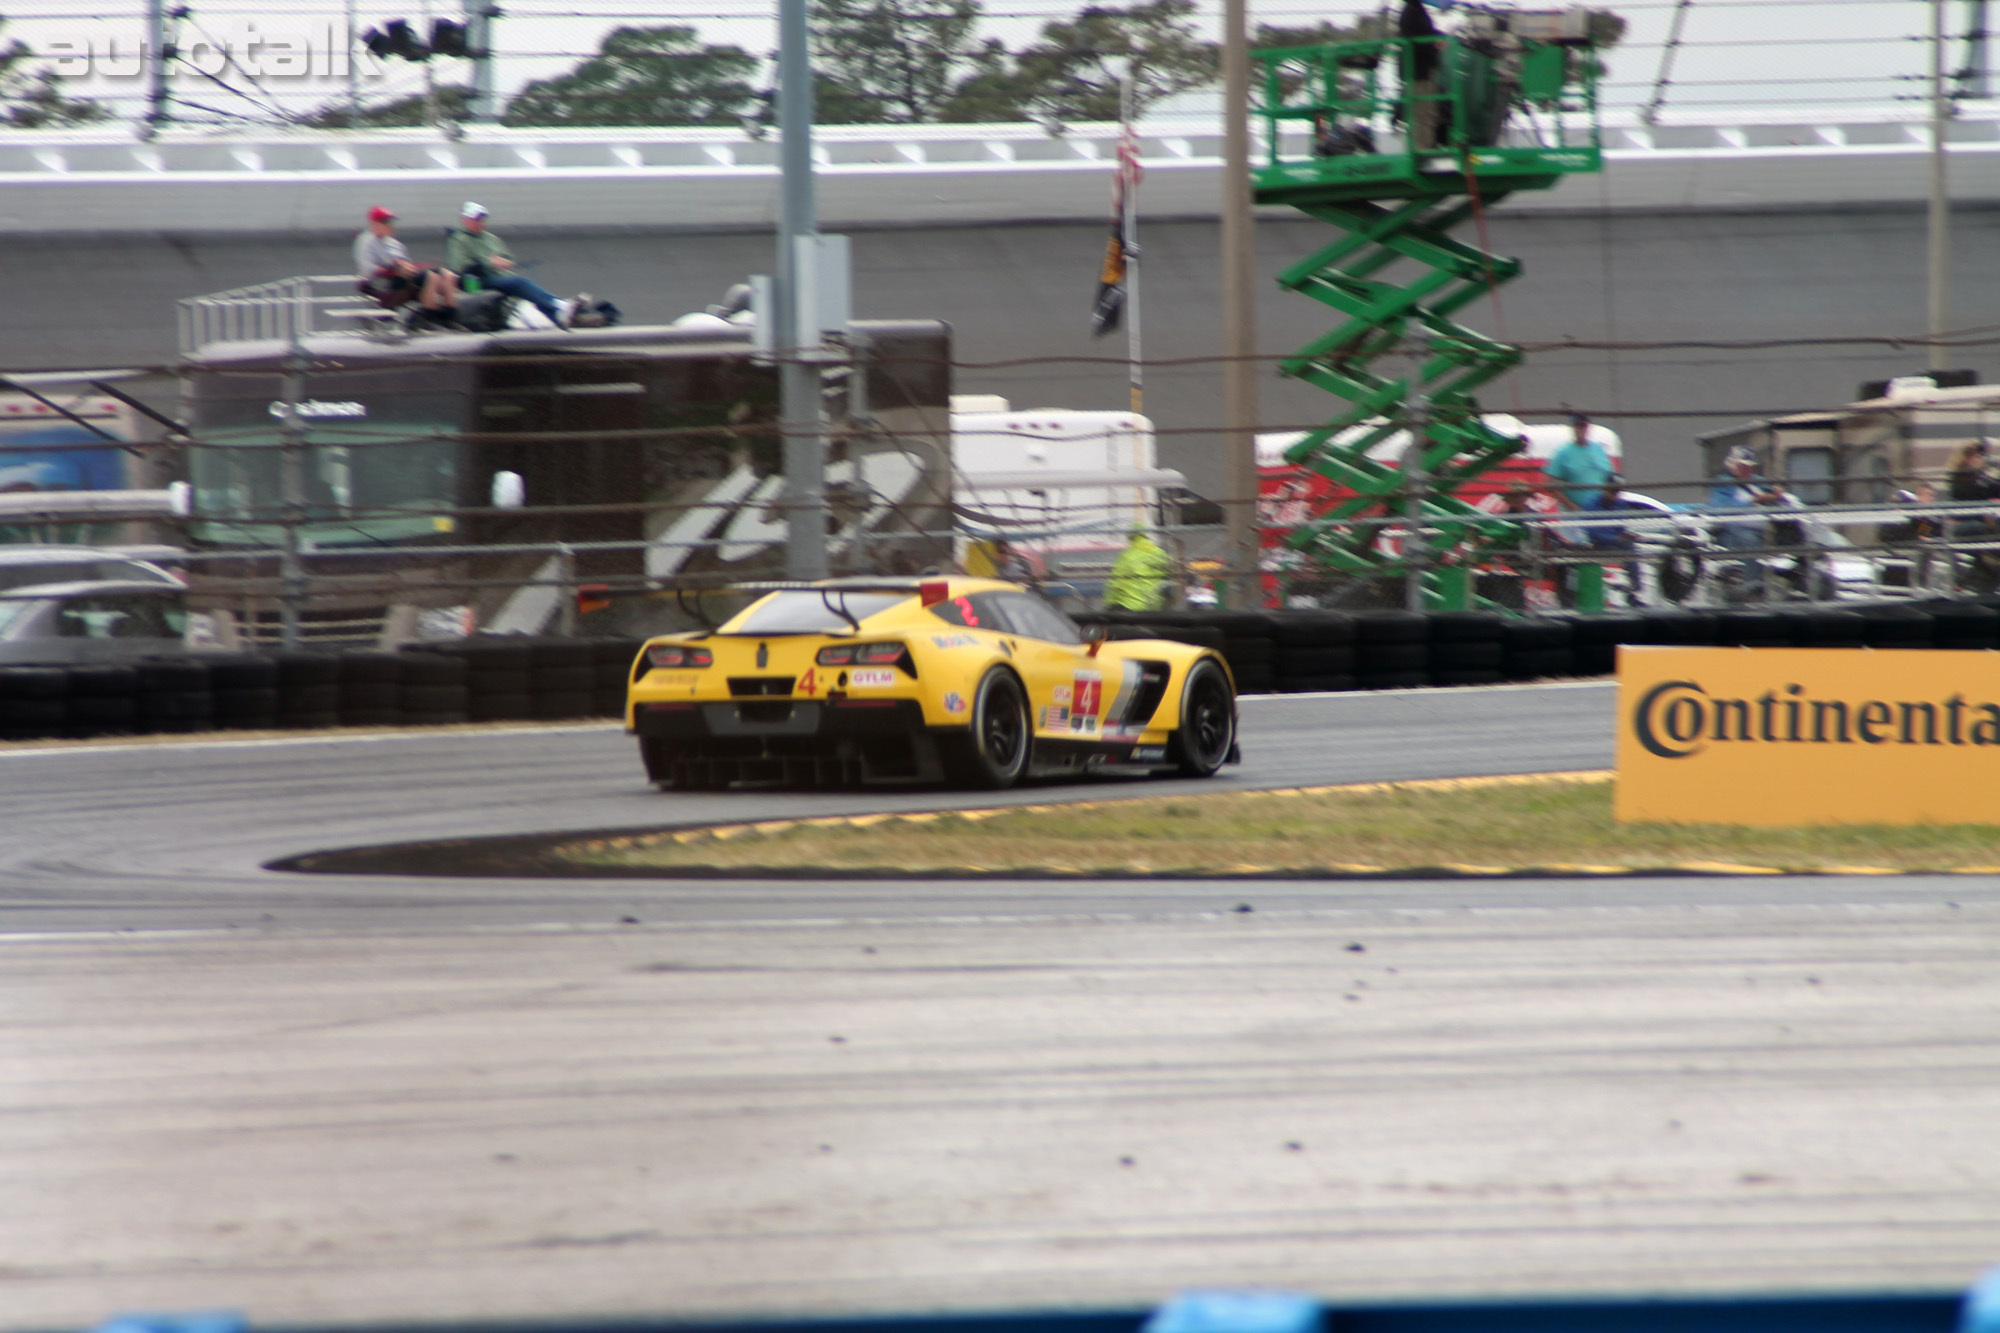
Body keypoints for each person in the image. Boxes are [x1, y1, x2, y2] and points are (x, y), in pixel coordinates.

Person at [443, 202, 570, 328]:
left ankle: (557, 313)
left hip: (499, 276)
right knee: (518, 283)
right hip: (474, 280)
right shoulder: (458, 239)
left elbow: (507, 256)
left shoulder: (491, 239)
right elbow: (459, 266)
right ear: (464, 220)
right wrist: (489, 263)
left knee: (523, 289)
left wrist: (506, 262)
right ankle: (559, 304)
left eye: (481, 220)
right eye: (475, 219)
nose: (479, 223)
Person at [1706, 445, 1783, 596]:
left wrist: (1777, 493)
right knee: (1749, 540)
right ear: (1732, 465)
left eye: (1751, 467)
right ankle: (1752, 586)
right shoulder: (1723, 484)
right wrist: (1755, 500)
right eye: (1743, 466)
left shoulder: (1757, 482)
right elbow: (1720, 509)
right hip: (1730, 532)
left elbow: (1774, 493)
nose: (1748, 471)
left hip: (1764, 530)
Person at [354, 205, 458, 315]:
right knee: (432, 277)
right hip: (383, 283)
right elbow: (369, 270)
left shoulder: (392, 243)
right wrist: (394, 270)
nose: (390, 226)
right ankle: (431, 316)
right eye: (385, 222)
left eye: (391, 222)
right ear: (374, 223)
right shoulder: (366, 241)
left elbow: (401, 261)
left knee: (447, 275)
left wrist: (410, 267)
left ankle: (451, 315)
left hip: (402, 277)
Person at [1543, 413, 1615, 515]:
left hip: (1599, 511)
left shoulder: (1598, 449)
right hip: (1575, 515)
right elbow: (1548, 483)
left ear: (1588, 427)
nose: (1580, 429)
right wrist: (1571, 506)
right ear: (1573, 428)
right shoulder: (1563, 452)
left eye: (1583, 425)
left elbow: (1610, 477)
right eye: (1577, 425)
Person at [1105, 525, 1173, 611]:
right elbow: (1170, 576)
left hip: (1130, 607)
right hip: (1154, 607)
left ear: (1130, 538)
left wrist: (1109, 604)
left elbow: (1115, 583)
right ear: (1146, 536)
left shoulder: (1127, 556)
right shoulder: (1160, 553)